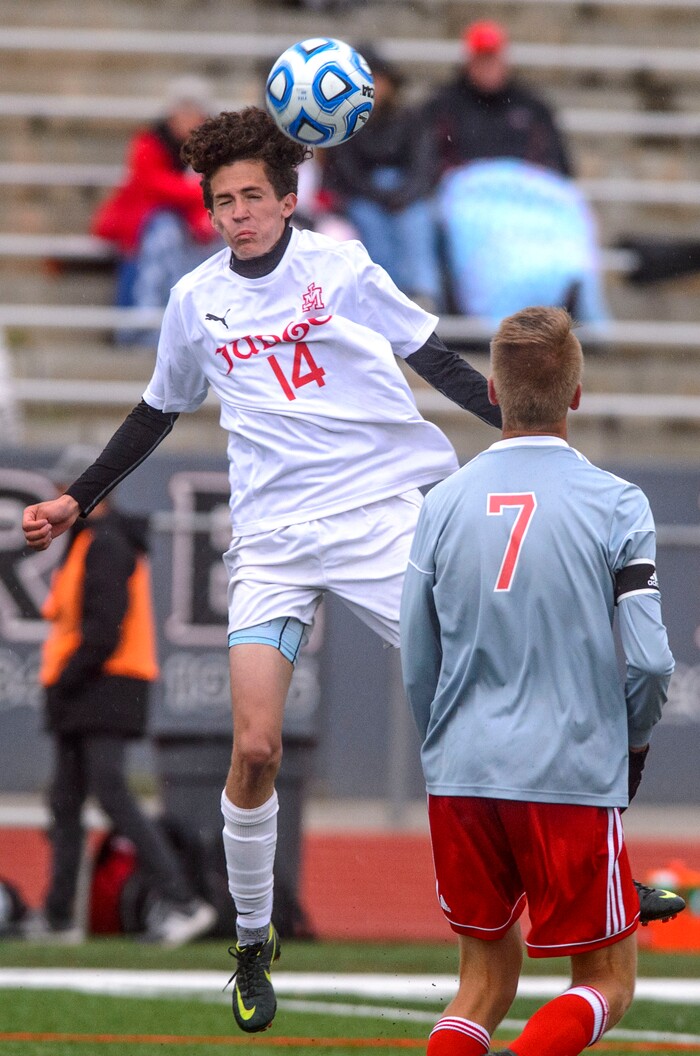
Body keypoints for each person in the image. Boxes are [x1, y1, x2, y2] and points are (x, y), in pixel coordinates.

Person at [21, 105, 502, 1033]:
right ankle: (250, 940)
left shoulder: (342, 269)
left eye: (253, 197)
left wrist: (524, 425)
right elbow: (156, 412)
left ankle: (591, 870)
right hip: (275, 537)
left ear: (289, 201)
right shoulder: (196, 301)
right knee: (255, 748)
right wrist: (75, 501)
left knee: (476, 692)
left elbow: (430, 356)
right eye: (222, 200)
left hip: (376, 516)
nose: (237, 212)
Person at [399, 306, 676, 1056]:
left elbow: (417, 658)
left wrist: (445, 748)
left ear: (493, 389)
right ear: (576, 394)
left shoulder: (442, 503)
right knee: (608, 980)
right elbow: (651, 661)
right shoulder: (617, 502)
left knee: (483, 982)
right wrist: (632, 745)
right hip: (569, 771)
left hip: (461, 772)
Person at [25, 445, 216, 947]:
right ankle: (60, 915)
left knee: (111, 794)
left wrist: (65, 680)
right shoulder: (93, 540)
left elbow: (102, 632)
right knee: (66, 800)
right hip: (92, 686)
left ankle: (184, 902)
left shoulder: (106, 542)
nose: (53, 498)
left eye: (61, 490)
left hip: (103, 686)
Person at [91, 75, 223, 346]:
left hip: (182, 226)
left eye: (194, 111)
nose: (188, 119)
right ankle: (140, 330)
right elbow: (153, 186)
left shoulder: (209, 150)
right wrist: (199, 193)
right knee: (163, 239)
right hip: (141, 227)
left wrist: (199, 209)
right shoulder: (150, 142)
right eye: (183, 111)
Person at [320, 45, 444, 310]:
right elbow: (345, 172)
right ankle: (387, 294)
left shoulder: (411, 119)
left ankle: (423, 294)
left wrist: (402, 194)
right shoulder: (342, 121)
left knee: (417, 219)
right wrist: (380, 195)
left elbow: (423, 166)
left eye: (376, 79)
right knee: (370, 224)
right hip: (362, 198)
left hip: (406, 196)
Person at [425, 20, 572, 179]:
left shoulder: (533, 107)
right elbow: (425, 163)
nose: (488, 67)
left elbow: (557, 166)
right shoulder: (443, 106)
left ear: (505, 60)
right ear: (469, 62)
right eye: (482, 59)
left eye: (492, 58)